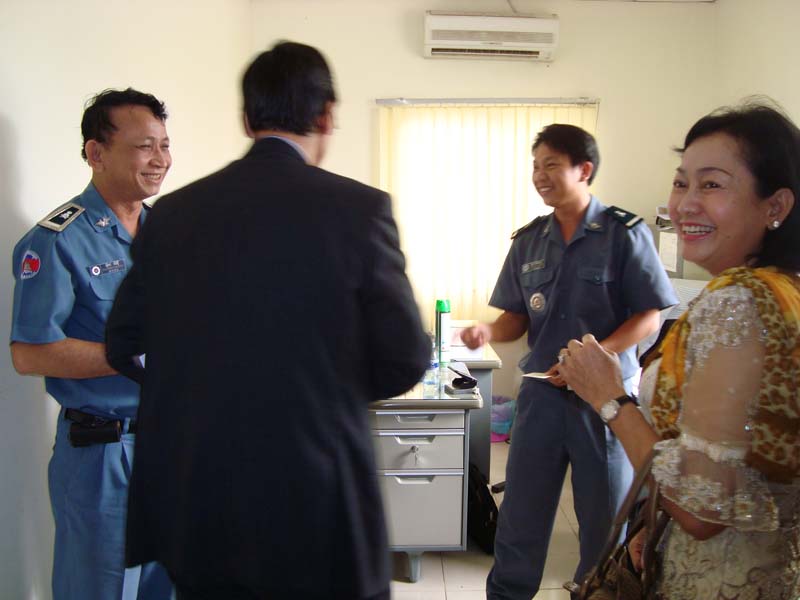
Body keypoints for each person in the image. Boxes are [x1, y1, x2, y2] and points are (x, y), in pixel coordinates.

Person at [104, 41, 430, 600]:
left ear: (247, 119)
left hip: (201, 498)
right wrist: (323, 393)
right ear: (325, 116)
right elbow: (405, 358)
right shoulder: (359, 211)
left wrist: (195, 389)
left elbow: (124, 344)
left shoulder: (174, 216)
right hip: (318, 494)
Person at [557, 101, 800, 598]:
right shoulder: (785, 291)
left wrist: (609, 397)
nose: (684, 204)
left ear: (775, 206)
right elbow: (737, 467)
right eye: (681, 182)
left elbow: (701, 511)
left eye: (711, 185)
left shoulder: (736, 302)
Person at [460, 124, 677, 599]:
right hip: (542, 395)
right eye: (536, 166)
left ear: (584, 170)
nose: (540, 175)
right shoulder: (528, 241)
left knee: (605, 519)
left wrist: (594, 358)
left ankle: (598, 592)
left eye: (552, 165)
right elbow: (515, 318)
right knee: (521, 514)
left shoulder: (624, 234)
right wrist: (488, 332)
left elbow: (649, 316)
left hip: (604, 402)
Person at [9, 89, 174, 599]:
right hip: (102, 455)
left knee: (167, 588)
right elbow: (30, 353)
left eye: (165, 145)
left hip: (170, 446)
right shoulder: (57, 240)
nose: (160, 159)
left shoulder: (168, 234)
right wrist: (134, 358)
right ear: (96, 152)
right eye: (144, 146)